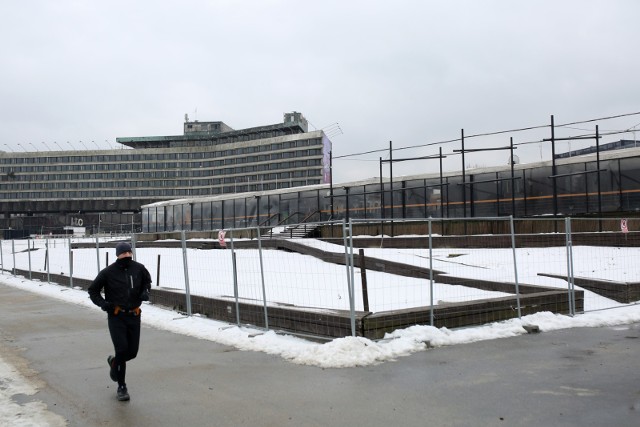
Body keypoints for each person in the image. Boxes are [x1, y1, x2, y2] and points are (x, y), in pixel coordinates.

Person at [88, 241, 151, 401]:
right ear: (118, 255)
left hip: (134, 315)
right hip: (117, 316)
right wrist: (103, 304)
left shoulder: (139, 268)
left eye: (129, 253)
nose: (127, 256)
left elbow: (147, 282)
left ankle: (114, 362)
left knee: (132, 352)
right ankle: (121, 387)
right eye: (124, 253)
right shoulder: (108, 272)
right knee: (122, 349)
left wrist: (145, 292)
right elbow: (93, 290)